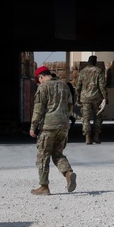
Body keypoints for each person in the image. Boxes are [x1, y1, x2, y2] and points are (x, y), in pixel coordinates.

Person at [29, 65, 78, 195]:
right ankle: (68, 173)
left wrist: (33, 127)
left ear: (41, 77)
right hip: (63, 125)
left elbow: (38, 110)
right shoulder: (64, 86)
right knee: (57, 153)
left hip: (48, 126)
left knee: (43, 156)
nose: (39, 82)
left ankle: (44, 187)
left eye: (39, 79)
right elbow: (69, 106)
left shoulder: (43, 87)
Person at [74, 55, 107, 144]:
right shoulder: (99, 71)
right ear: (95, 62)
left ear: (88, 62)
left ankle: (87, 137)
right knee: (98, 118)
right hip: (97, 98)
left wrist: (77, 98)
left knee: (86, 118)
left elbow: (78, 86)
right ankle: (96, 136)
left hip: (85, 99)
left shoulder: (82, 72)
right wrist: (105, 97)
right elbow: (102, 86)